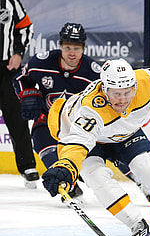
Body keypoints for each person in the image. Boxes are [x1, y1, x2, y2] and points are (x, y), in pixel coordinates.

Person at [41, 58, 150, 236]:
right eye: (116, 93)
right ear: (104, 89)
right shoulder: (90, 110)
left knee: (148, 168)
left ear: (134, 86)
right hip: (85, 138)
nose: (123, 99)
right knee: (96, 177)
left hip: (124, 133)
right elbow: (77, 144)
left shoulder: (144, 82)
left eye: (127, 92)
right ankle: (135, 223)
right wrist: (67, 167)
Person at [13, 23, 99, 196]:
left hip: (79, 127)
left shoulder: (93, 73)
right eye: (67, 47)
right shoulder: (41, 62)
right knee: (43, 146)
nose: (72, 53)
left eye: (76, 47)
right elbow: (20, 79)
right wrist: (28, 94)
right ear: (60, 46)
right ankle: (69, 187)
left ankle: (140, 181)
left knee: (95, 165)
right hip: (47, 120)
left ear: (83, 48)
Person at [0, 0, 38, 188]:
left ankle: (27, 166)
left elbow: (25, 27)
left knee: (16, 118)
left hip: (7, 68)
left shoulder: (9, 0)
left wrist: (18, 53)